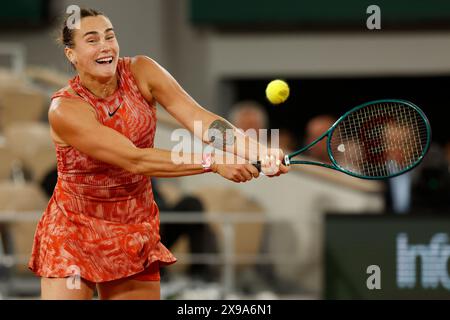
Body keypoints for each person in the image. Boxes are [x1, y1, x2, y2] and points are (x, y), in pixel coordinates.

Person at [28, 8, 288, 300]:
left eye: (109, 36)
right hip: (73, 233)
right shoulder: (65, 109)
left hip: (133, 229)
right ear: (71, 55)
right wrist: (213, 162)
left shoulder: (142, 71)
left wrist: (258, 150)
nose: (105, 46)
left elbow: (199, 119)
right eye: (92, 40)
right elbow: (135, 159)